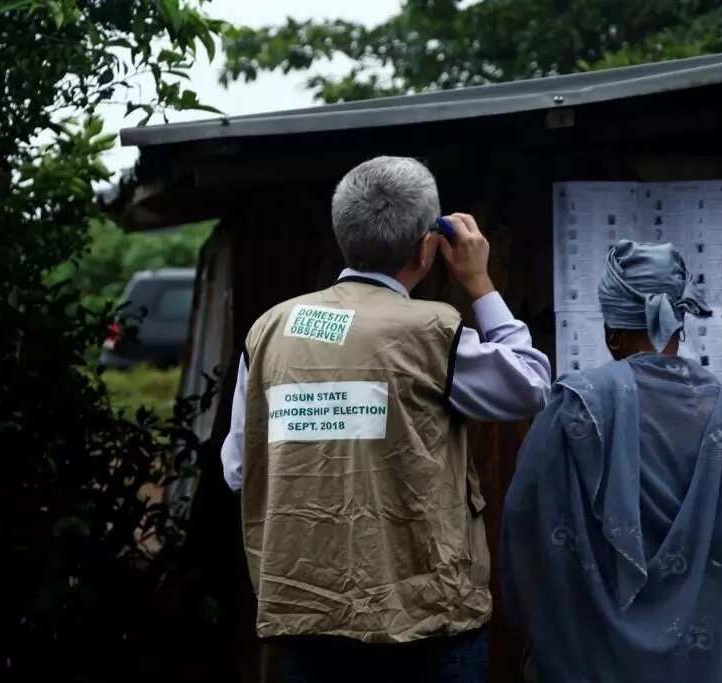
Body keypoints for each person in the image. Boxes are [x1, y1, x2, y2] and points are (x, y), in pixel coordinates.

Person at [220, 156, 551, 682]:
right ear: (428, 247)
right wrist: (481, 284)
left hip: (307, 617)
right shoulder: (430, 332)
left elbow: (240, 468)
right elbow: (530, 384)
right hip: (426, 624)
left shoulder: (270, 330)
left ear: (342, 235)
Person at [501, 240, 722, 683]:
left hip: (582, 658)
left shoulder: (576, 405)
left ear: (612, 332)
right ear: (680, 324)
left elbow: (525, 522)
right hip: (693, 664)